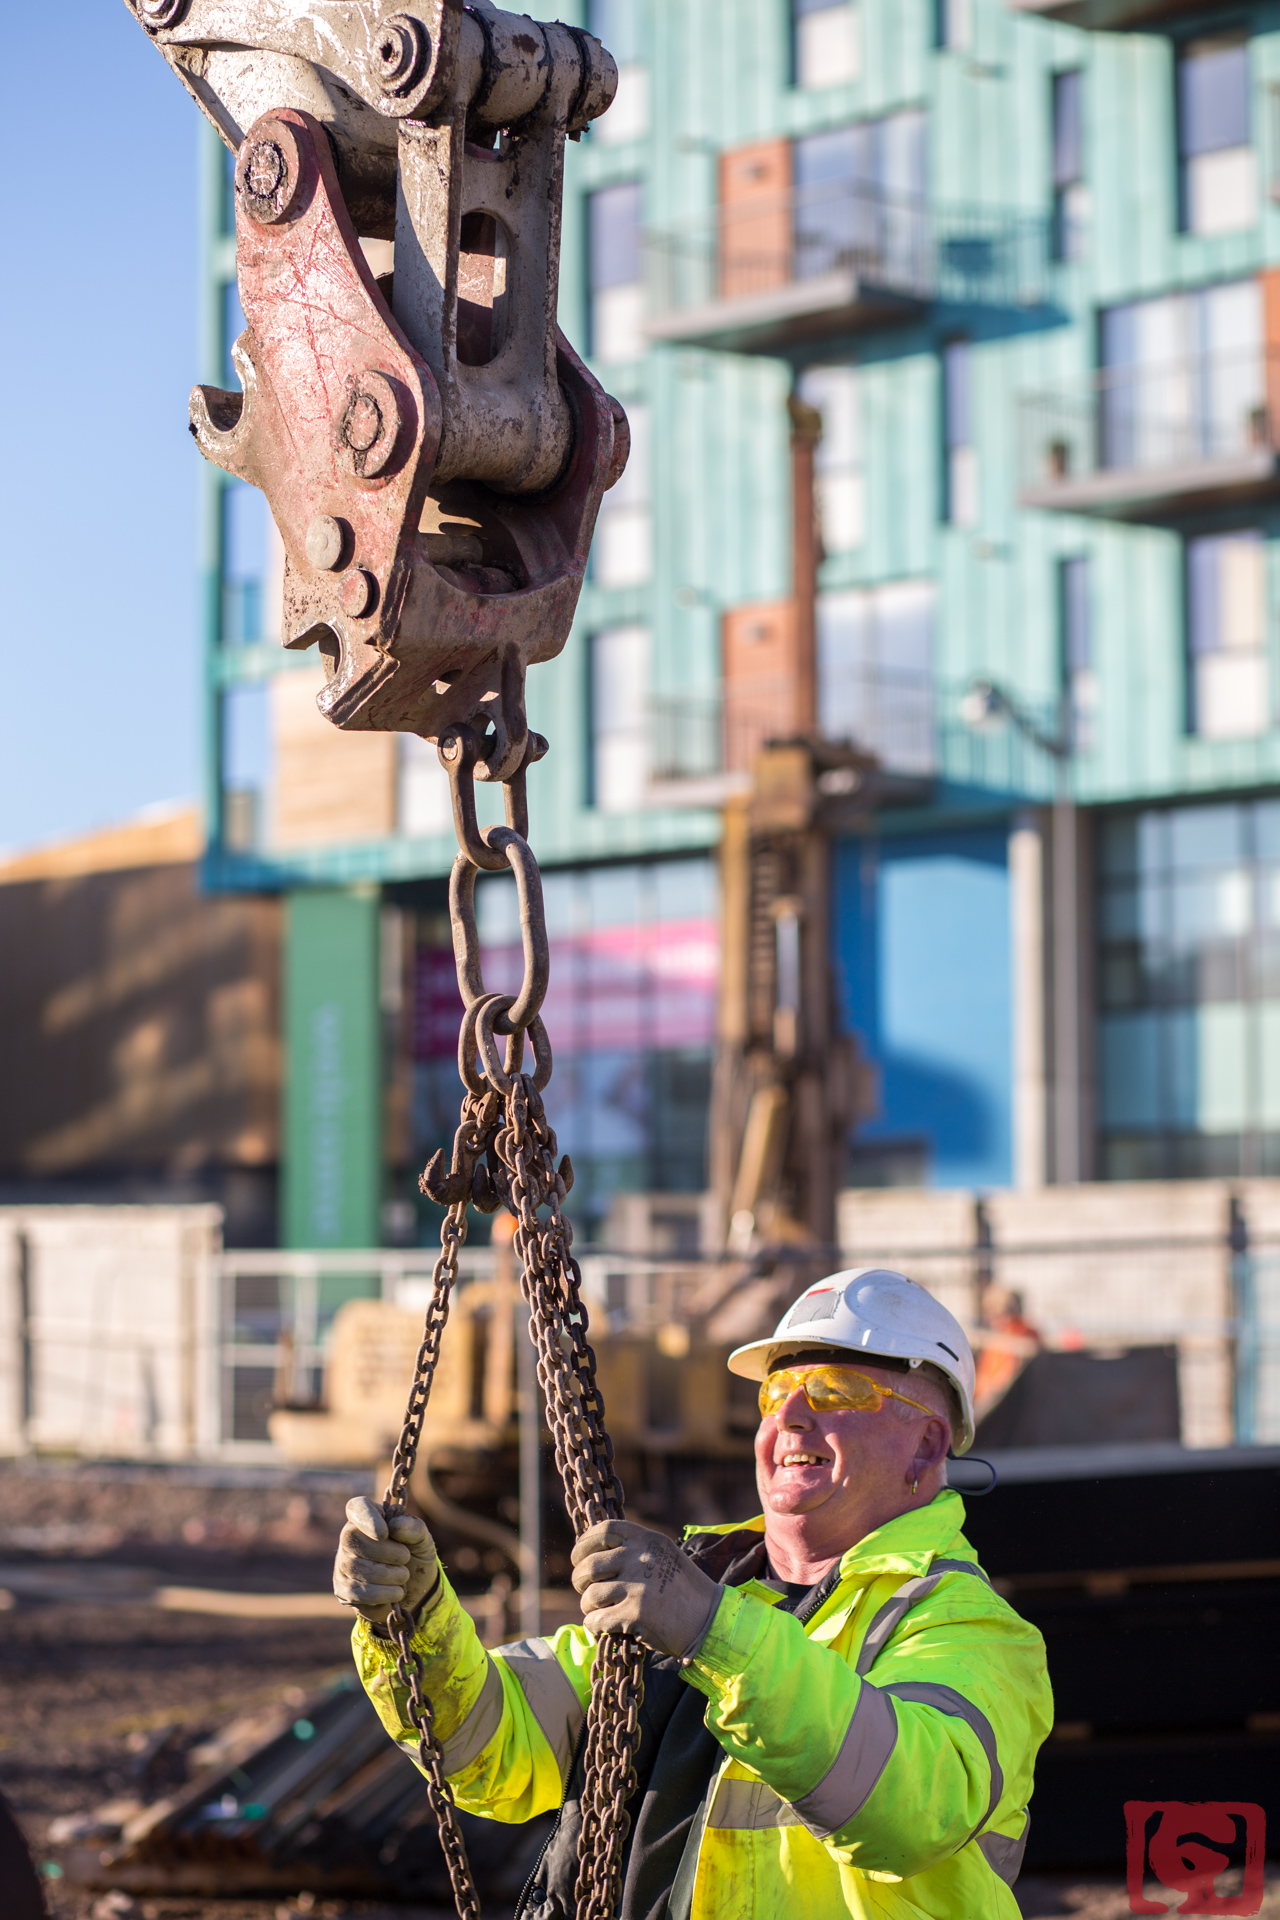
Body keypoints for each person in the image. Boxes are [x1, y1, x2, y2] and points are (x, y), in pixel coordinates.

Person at [334, 1267, 1053, 1919]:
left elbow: (908, 1809)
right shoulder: (702, 1587)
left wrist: (713, 1630)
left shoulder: (969, 1630)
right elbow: (493, 1745)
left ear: (927, 1445)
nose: (790, 1416)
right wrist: (415, 1620)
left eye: (838, 1392)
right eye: (777, 1393)